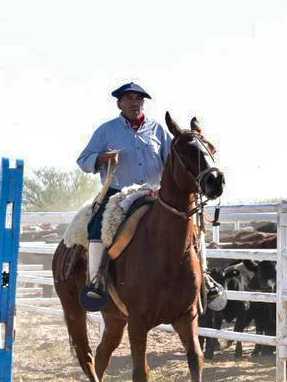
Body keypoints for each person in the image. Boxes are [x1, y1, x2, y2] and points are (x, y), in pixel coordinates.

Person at [76, 82, 223, 311]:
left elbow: (172, 161)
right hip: (118, 193)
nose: (134, 103)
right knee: (97, 225)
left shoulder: (157, 130)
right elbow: (83, 161)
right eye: (129, 99)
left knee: (192, 226)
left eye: (138, 99)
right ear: (119, 103)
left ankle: (204, 276)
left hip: (153, 193)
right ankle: (97, 282)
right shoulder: (106, 131)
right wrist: (103, 157)